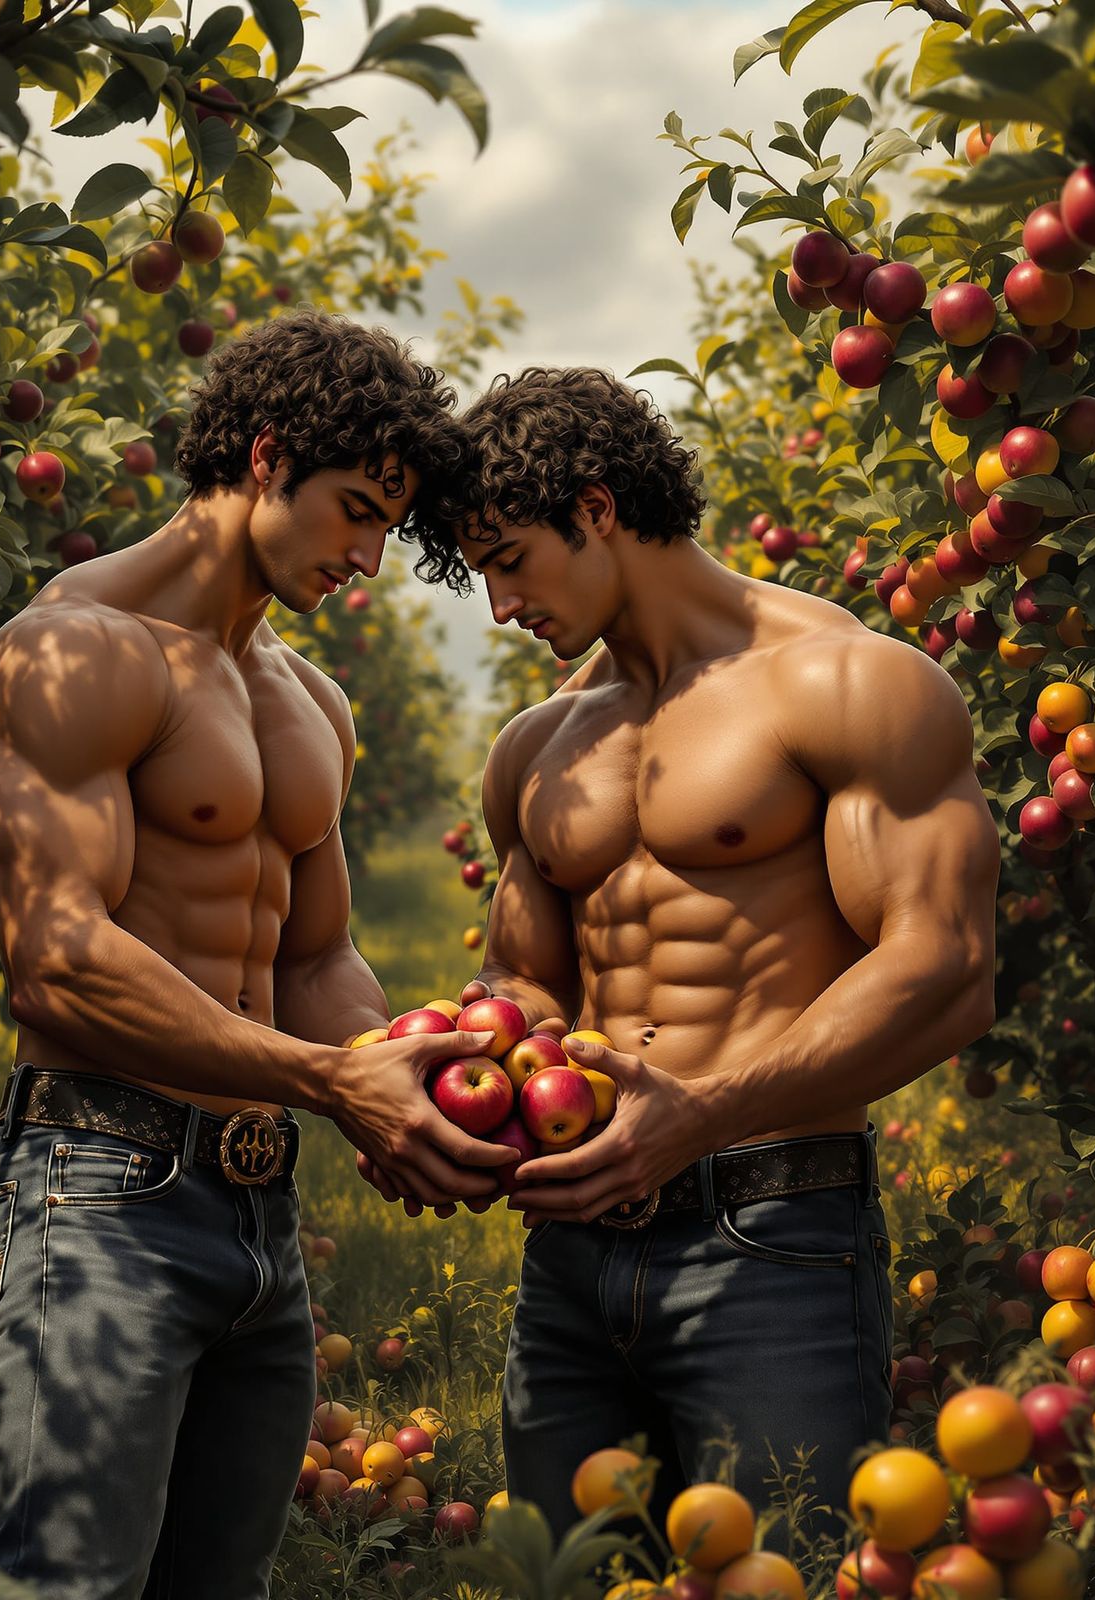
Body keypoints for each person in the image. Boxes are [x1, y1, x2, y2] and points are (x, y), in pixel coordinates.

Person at [365, 366, 1000, 1550]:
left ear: (597, 508)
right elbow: (527, 986)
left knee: (775, 1569)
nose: (499, 606)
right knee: (563, 1577)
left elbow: (946, 963)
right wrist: (449, 1086)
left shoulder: (843, 680)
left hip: (770, 1230)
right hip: (571, 1245)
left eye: (510, 558)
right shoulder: (537, 746)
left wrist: (699, 1115)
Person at [0, 309, 517, 1600]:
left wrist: (404, 1074)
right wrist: (326, 1084)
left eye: (390, 525)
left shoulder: (310, 701)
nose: (370, 556)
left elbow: (320, 962)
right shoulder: (72, 649)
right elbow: (58, 960)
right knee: (65, 1586)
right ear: (265, 456)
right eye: (356, 510)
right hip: (97, 1185)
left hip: (260, 1213)